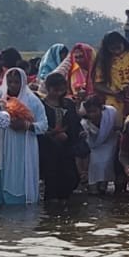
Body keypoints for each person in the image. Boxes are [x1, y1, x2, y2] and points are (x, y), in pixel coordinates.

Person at [0, 68, 47, 205]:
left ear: (23, 83)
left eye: (16, 82)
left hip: (22, 147)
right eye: (10, 82)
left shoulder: (32, 101)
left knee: (19, 177)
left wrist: (26, 126)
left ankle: (19, 211)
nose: (13, 85)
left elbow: (43, 125)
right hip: (0, 144)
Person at [37, 72, 84, 200]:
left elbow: (74, 123)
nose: (58, 93)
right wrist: (53, 134)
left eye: (61, 90)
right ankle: (51, 207)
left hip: (67, 147)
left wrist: (74, 133)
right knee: (51, 178)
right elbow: (39, 127)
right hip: (48, 148)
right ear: (48, 88)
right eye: (55, 89)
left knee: (71, 178)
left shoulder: (68, 104)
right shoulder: (41, 105)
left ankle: (64, 204)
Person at [91, 31, 129, 113]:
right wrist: (114, 93)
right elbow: (97, 84)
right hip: (115, 100)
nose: (115, 47)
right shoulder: (104, 60)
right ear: (107, 47)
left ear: (123, 42)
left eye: (117, 44)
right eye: (112, 46)